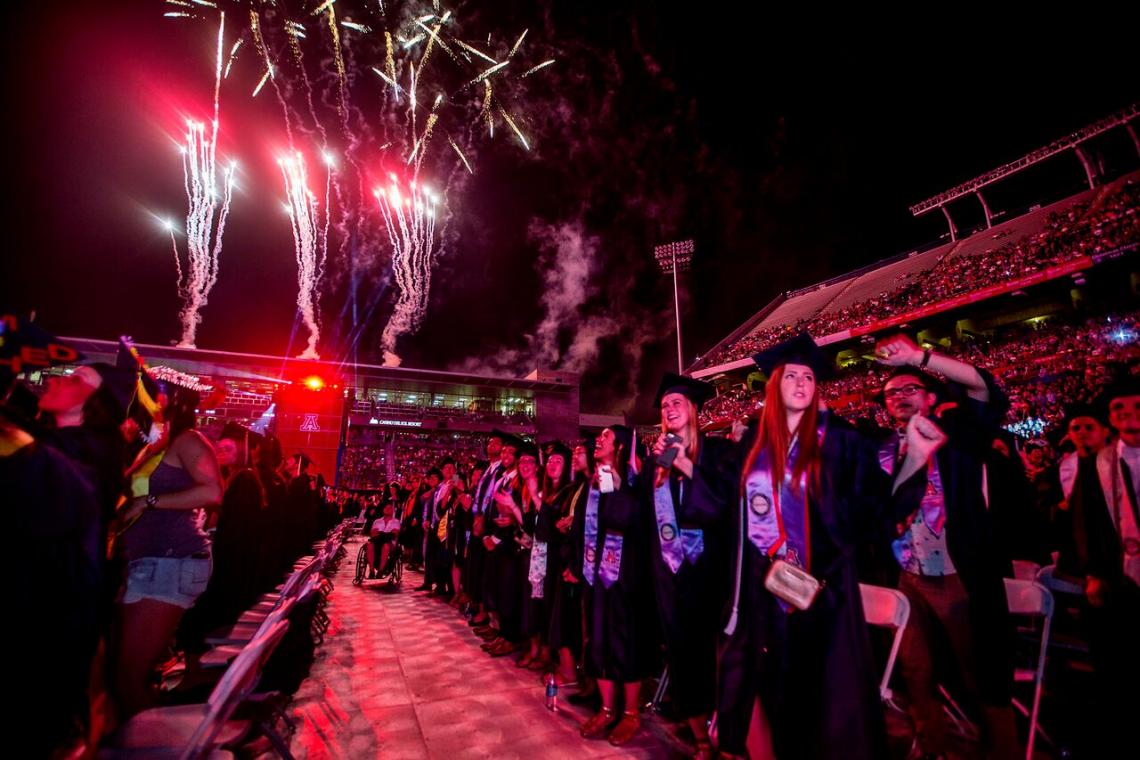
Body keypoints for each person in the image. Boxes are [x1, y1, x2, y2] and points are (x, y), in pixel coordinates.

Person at [716, 334, 934, 760]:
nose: (800, 383)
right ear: (774, 385)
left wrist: (914, 461)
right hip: (767, 593)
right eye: (791, 375)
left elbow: (874, 510)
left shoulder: (842, 441)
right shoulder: (753, 443)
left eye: (809, 377)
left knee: (830, 701)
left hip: (826, 594)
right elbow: (732, 515)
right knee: (778, 692)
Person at [873, 332, 1020, 759]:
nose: (899, 396)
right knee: (916, 671)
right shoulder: (884, 452)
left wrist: (919, 357)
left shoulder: (961, 438)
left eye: (909, 389)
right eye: (890, 394)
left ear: (932, 398)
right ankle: (931, 745)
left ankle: (1002, 750)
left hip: (959, 572)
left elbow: (983, 386)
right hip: (907, 575)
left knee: (981, 673)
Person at [108, 369, 223, 717]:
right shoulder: (159, 441)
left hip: (170, 560)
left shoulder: (188, 440)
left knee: (126, 675)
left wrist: (150, 502)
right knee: (124, 671)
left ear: (167, 398)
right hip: (150, 560)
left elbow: (213, 490)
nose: (138, 397)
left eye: (146, 392)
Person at [645, 373, 736, 758]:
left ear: (695, 410)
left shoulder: (717, 452)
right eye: (665, 405)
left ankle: (728, 736)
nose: (668, 409)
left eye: (676, 402)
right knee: (682, 654)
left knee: (719, 658)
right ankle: (700, 737)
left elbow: (725, 506)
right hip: (671, 574)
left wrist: (685, 463)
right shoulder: (658, 461)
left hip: (712, 572)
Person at [1065, 376, 1140, 753]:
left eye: (1136, 407)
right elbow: (1089, 522)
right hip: (1120, 578)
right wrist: (1094, 573)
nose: (1128, 416)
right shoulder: (1100, 464)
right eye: (1119, 409)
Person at [579, 425, 656, 746]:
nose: (599, 439)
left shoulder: (637, 482)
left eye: (606, 436)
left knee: (626, 640)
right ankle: (608, 708)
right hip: (599, 571)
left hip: (628, 572)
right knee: (599, 637)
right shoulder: (596, 480)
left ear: (622, 447)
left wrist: (620, 488)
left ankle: (630, 714)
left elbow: (636, 523)